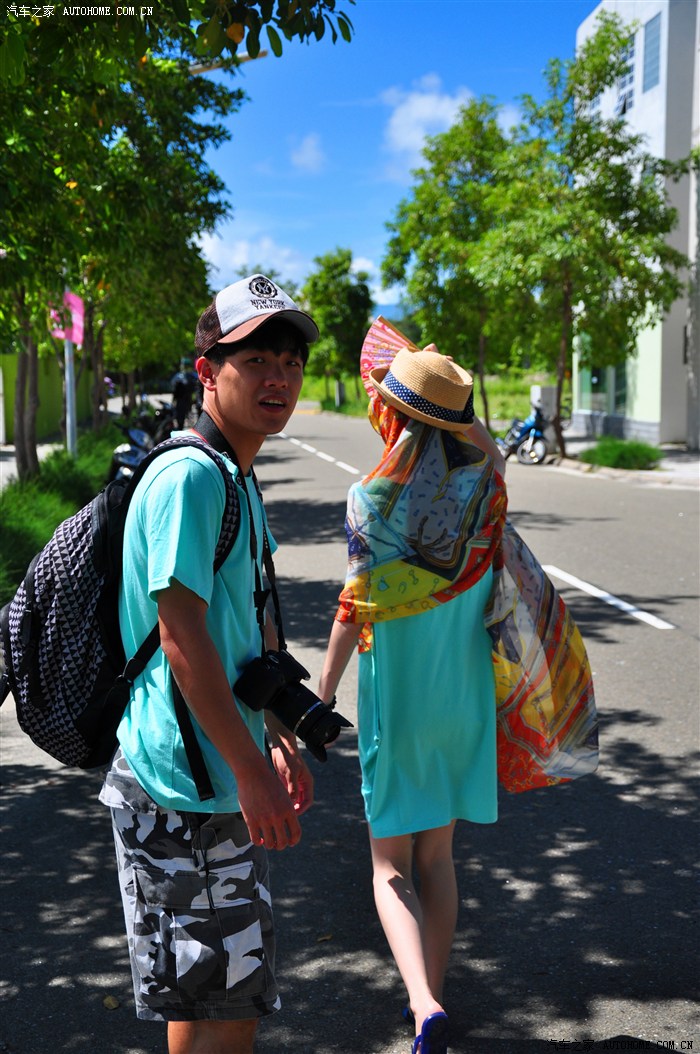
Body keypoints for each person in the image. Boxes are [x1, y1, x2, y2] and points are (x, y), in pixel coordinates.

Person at [100, 273, 320, 1054]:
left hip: (210, 775)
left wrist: (278, 735)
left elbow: (245, 631)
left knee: (210, 1001)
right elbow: (183, 638)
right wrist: (250, 769)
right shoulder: (191, 476)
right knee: (226, 1009)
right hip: (181, 787)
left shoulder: (234, 474)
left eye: (290, 362)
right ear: (206, 372)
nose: (278, 378)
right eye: (255, 360)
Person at [318, 343, 508, 1054]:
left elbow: (353, 610)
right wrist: (458, 415)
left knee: (389, 864)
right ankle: (432, 995)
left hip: (398, 701)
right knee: (439, 858)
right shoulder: (488, 489)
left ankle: (423, 1003)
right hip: (464, 696)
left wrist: (321, 694)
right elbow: (487, 447)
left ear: (391, 415)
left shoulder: (370, 499)